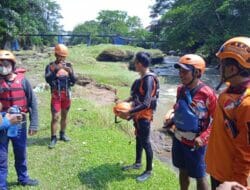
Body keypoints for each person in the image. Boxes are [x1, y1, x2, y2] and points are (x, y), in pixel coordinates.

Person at [165, 54, 217, 190]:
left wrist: (204, 137)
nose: (180, 75)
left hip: (196, 144)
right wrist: (171, 121)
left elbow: (217, 121)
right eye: (179, 71)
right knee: (182, 170)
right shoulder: (180, 89)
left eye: (185, 72)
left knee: (200, 176)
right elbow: (179, 109)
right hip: (179, 138)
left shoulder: (208, 94)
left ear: (197, 72)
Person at [205, 37, 250, 189]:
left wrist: (235, 183)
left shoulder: (246, 103)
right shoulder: (231, 90)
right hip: (217, 169)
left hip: (229, 178)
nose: (219, 70)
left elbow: (246, 151)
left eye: (221, 65)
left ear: (232, 69)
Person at [118, 52, 159, 182]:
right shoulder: (140, 80)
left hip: (144, 116)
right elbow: (135, 97)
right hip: (137, 114)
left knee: (146, 142)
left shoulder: (149, 79)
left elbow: (146, 103)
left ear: (140, 64)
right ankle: (137, 163)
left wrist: (129, 112)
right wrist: (123, 103)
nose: (134, 65)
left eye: (135, 63)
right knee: (139, 139)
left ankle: (148, 171)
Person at [0, 50, 39, 189]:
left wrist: (34, 124)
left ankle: (23, 178)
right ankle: (1, 185)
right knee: (1, 157)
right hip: (2, 124)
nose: (3, 67)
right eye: (0, 64)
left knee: (20, 152)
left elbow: (33, 102)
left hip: (20, 124)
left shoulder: (23, 81)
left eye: (6, 64)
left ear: (12, 65)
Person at [45, 44, 76, 149]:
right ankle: (53, 137)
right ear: (56, 55)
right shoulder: (50, 66)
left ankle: (62, 134)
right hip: (56, 95)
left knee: (65, 115)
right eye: (60, 56)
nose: (62, 58)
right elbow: (48, 79)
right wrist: (56, 69)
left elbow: (74, 81)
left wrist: (70, 72)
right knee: (55, 117)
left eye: (64, 56)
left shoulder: (69, 66)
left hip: (66, 95)